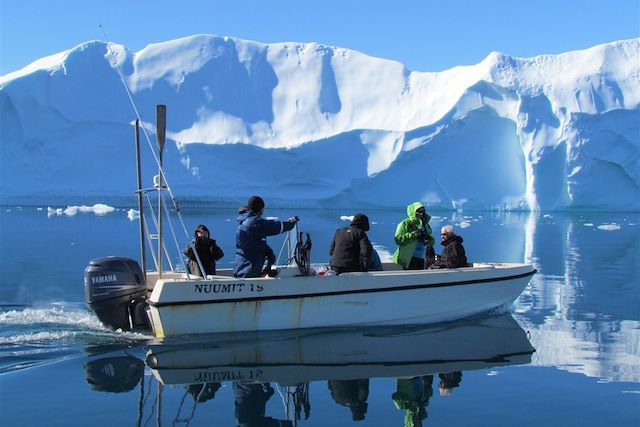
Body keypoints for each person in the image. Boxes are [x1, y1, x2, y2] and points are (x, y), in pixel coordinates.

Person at [234, 195, 299, 278]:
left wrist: (268, 253)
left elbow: (254, 243)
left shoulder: (244, 223)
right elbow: (275, 227)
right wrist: (290, 224)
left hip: (241, 268)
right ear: (260, 208)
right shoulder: (254, 223)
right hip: (249, 270)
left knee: (270, 255)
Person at [392, 202, 435, 270]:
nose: (421, 213)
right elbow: (398, 239)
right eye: (418, 211)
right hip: (409, 258)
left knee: (419, 278)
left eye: (422, 211)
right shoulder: (405, 223)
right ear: (413, 211)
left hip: (422, 258)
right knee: (410, 278)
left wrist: (428, 239)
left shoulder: (425, 224)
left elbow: (432, 241)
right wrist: (414, 235)